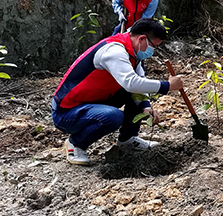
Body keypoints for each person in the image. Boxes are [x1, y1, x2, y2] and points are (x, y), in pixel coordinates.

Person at [52, 18, 182, 166]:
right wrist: (167, 86)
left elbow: (139, 79)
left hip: (92, 101)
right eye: (154, 46)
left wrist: (146, 106)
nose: (153, 51)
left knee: (134, 95)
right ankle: (76, 144)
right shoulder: (115, 51)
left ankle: (128, 139)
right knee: (113, 117)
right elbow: (131, 83)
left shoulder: (133, 53)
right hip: (67, 112)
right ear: (142, 39)